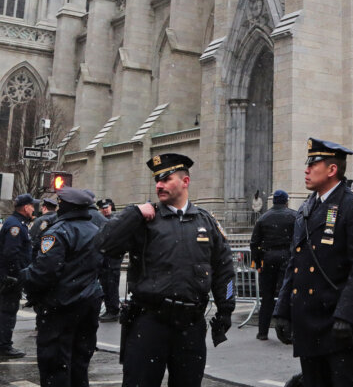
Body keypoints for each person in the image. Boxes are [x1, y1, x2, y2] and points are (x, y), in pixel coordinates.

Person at [99, 153, 235, 387]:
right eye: (157, 181)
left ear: (185, 182)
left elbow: (224, 270)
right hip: (149, 322)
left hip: (190, 325)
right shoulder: (145, 219)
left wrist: (226, 309)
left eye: (166, 179)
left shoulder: (205, 222)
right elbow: (104, 244)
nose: (159, 185)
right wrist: (133, 213)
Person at [273, 139, 353, 387]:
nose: (306, 170)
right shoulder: (307, 208)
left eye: (313, 163)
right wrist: (282, 311)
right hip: (309, 323)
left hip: (338, 324)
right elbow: (295, 263)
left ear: (332, 170)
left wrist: (348, 313)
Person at [20, 188, 104, 387]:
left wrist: (23, 277)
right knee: (79, 364)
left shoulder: (59, 232)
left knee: (54, 366)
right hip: (88, 304)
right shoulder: (95, 230)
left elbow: (45, 272)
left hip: (61, 307)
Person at [249, 189, 297, 341]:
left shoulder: (263, 218)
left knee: (267, 297)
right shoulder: (294, 216)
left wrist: (257, 262)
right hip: (287, 257)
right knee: (286, 294)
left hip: (268, 258)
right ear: (286, 201)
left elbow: (254, 243)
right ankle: (286, 331)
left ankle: (262, 332)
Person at [0, 193, 35, 359]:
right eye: (31, 206)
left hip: (9, 275)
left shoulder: (16, 223)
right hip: (11, 277)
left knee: (3, 310)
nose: (33, 208)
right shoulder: (15, 225)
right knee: (7, 311)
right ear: (25, 207)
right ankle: (3, 346)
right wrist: (16, 274)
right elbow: (11, 253)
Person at [96, 198, 122, 322]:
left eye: (106, 207)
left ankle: (114, 310)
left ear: (111, 206)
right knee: (105, 284)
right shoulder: (102, 221)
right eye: (102, 208)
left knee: (112, 285)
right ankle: (109, 308)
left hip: (113, 258)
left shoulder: (117, 219)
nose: (105, 210)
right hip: (105, 258)